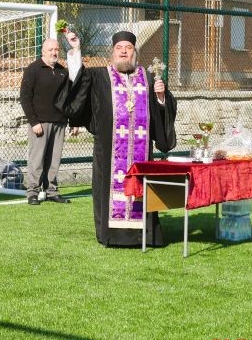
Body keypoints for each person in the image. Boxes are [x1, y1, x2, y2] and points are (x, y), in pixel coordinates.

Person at [61, 29, 176, 247]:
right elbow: (77, 81)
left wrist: (161, 97)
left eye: (128, 48)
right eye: (119, 48)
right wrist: (76, 50)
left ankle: (144, 234)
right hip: (109, 152)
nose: (124, 52)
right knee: (109, 190)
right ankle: (111, 235)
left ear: (135, 53)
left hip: (141, 153)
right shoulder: (100, 76)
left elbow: (162, 113)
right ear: (112, 53)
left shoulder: (148, 78)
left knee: (141, 186)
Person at [19, 38, 71, 205]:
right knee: (37, 159)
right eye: (50, 49)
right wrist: (33, 121)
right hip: (40, 123)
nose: (54, 53)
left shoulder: (63, 71)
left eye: (56, 49)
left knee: (54, 159)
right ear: (43, 51)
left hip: (59, 122)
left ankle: (51, 191)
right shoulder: (33, 69)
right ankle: (33, 192)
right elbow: (25, 97)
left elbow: (68, 98)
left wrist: (71, 120)